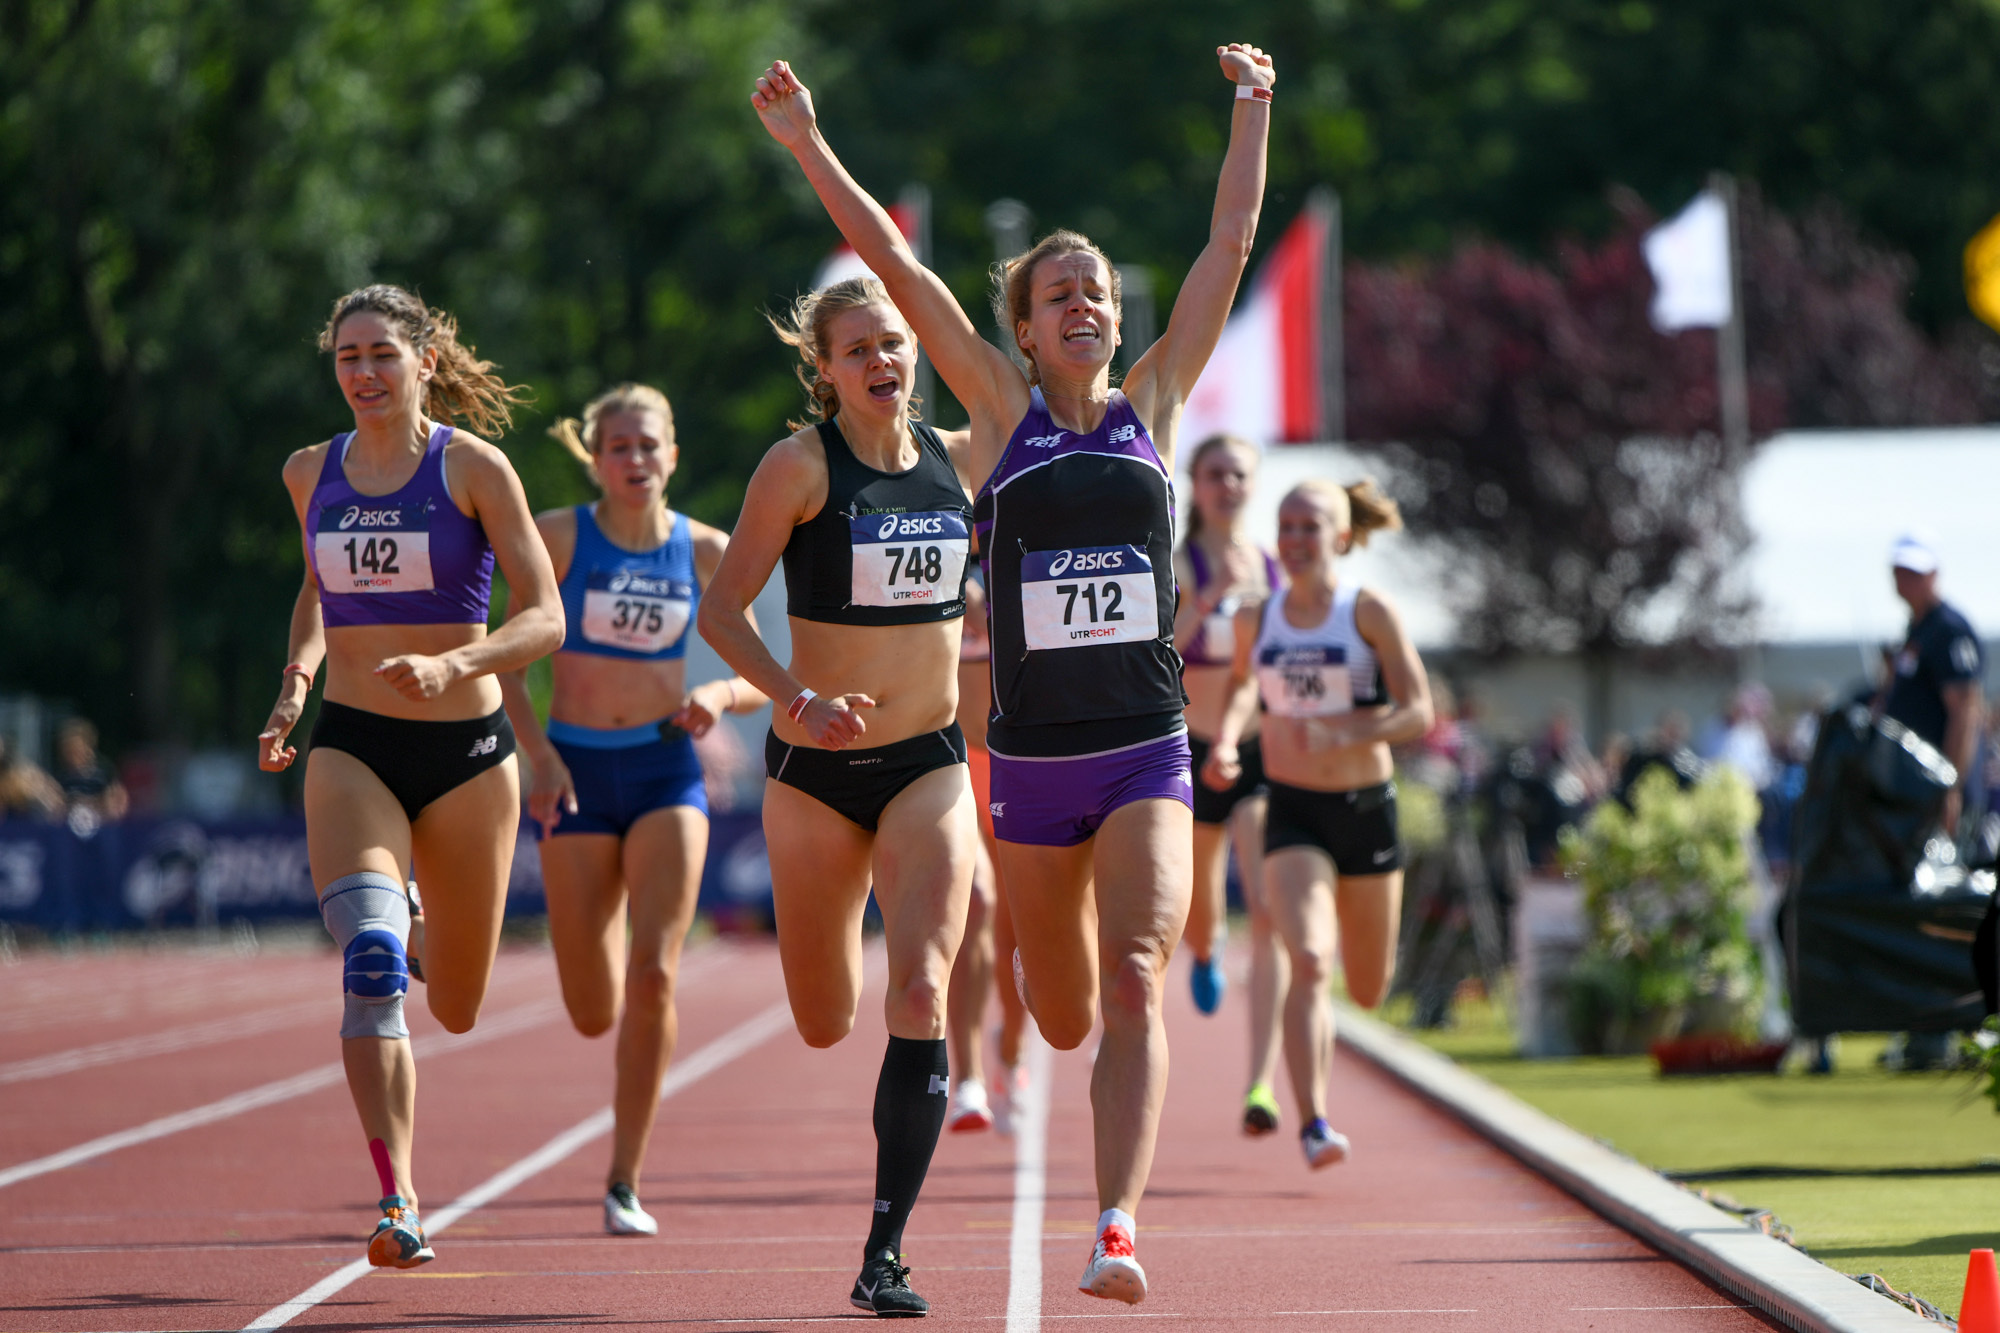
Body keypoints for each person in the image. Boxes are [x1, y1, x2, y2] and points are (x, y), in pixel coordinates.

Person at [752, 39, 1274, 1304]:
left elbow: (1226, 246)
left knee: (1135, 980)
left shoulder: (1156, 399)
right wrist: (808, 143)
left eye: (1096, 289)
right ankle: (1053, 1014)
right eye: (1058, 294)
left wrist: (1253, 108)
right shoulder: (996, 412)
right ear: (1025, 329)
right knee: (1060, 1011)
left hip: (1144, 744)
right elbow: (894, 266)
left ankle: (1114, 1226)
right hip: (1033, 767)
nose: (1083, 303)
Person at [256, 285, 564, 1269]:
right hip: (352, 747)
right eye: (347, 356)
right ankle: (398, 1199)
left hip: (468, 758)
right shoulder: (310, 471)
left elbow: (544, 616)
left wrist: (456, 664)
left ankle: (421, 924)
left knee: (457, 1004)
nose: (364, 373)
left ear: (424, 361)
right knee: (370, 965)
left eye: (382, 353)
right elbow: (316, 589)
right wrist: (296, 681)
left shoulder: (473, 468)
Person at [697, 277, 979, 1317]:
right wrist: (796, 698)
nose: (879, 360)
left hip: (927, 763)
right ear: (823, 368)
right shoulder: (799, 467)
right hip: (813, 776)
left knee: (921, 993)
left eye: (892, 342)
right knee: (824, 1020)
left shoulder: (961, 457)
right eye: (855, 348)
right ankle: (883, 1240)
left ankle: (884, 1252)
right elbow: (723, 611)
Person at [498, 383, 764, 1237]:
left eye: (649, 445)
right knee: (591, 1008)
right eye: (619, 446)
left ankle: (624, 1178)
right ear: (597, 459)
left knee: (655, 975)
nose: (636, 459)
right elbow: (507, 664)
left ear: (672, 455)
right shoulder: (558, 536)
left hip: (663, 770)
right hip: (573, 771)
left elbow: (764, 668)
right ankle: (604, 930)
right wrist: (539, 756)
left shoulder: (706, 548)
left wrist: (718, 693)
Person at [1204, 480, 1432, 1171]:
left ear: (1341, 536)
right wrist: (1228, 738)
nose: (1297, 539)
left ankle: (1316, 1110)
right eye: (1287, 525)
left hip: (1365, 811)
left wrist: (1346, 730)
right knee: (1306, 957)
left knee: (1366, 987)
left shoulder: (1369, 611)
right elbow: (1244, 683)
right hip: (1293, 808)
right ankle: (1314, 1123)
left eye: (1311, 526)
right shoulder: (1258, 616)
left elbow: (1419, 711)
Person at [1172, 435, 1287, 1139]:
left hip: (1255, 750)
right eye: (1215, 474)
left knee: (1269, 907)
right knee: (1202, 908)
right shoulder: (1177, 561)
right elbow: (1158, 648)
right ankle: (1207, 948)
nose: (1228, 485)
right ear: (1196, 483)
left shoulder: (1273, 566)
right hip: (1188, 747)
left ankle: (1261, 1082)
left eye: (1239, 474)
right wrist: (1210, 596)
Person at [941, 572, 1032, 1135]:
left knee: (1017, 937)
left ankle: (1012, 1051)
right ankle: (968, 1078)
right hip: (952, 762)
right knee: (976, 901)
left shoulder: (1025, 556)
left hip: (1017, 766)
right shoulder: (934, 549)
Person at [1880, 534, 1985, 834]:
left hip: (1937, 788)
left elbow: (1965, 711)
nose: (1905, 580)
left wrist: (1950, 786)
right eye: (1900, 571)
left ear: (1933, 574)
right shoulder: (1917, 629)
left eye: (1915, 572)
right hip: (1912, 789)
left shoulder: (1948, 630)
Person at [53, 719, 129, 824]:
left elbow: (115, 801)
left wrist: (94, 802)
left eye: (77, 750)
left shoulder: (103, 774)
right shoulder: (61, 778)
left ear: (88, 749)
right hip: (70, 824)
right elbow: (59, 805)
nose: (72, 755)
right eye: (68, 750)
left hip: (100, 823)